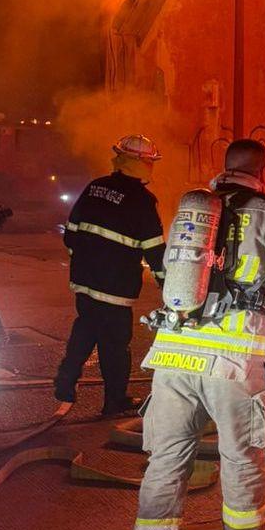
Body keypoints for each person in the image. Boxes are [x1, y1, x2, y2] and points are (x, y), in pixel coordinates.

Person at [133, 139, 265, 530]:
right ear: (264, 172)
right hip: (233, 365)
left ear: (225, 168)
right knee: (241, 462)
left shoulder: (195, 211)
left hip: (173, 356)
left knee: (166, 462)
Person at [55, 134, 165, 417]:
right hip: (115, 286)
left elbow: (70, 232)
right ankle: (114, 401)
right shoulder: (142, 200)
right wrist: (168, 284)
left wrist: (84, 261)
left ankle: (66, 379)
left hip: (84, 281)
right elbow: (155, 250)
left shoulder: (95, 187)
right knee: (114, 344)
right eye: (149, 162)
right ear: (142, 164)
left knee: (86, 326)